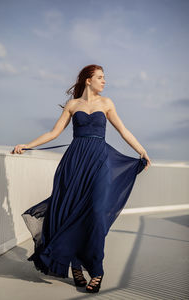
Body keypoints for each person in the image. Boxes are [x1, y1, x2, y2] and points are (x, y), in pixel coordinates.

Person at [11, 64, 151, 293]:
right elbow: (53, 133)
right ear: (88, 80)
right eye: (100, 77)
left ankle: (96, 269)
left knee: (96, 214)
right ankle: (76, 267)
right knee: (70, 213)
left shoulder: (107, 104)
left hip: (98, 163)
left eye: (104, 78)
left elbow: (123, 131)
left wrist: (142, 151)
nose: (104, 82)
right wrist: (27, 145)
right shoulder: (72, 105)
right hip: (74, 164)